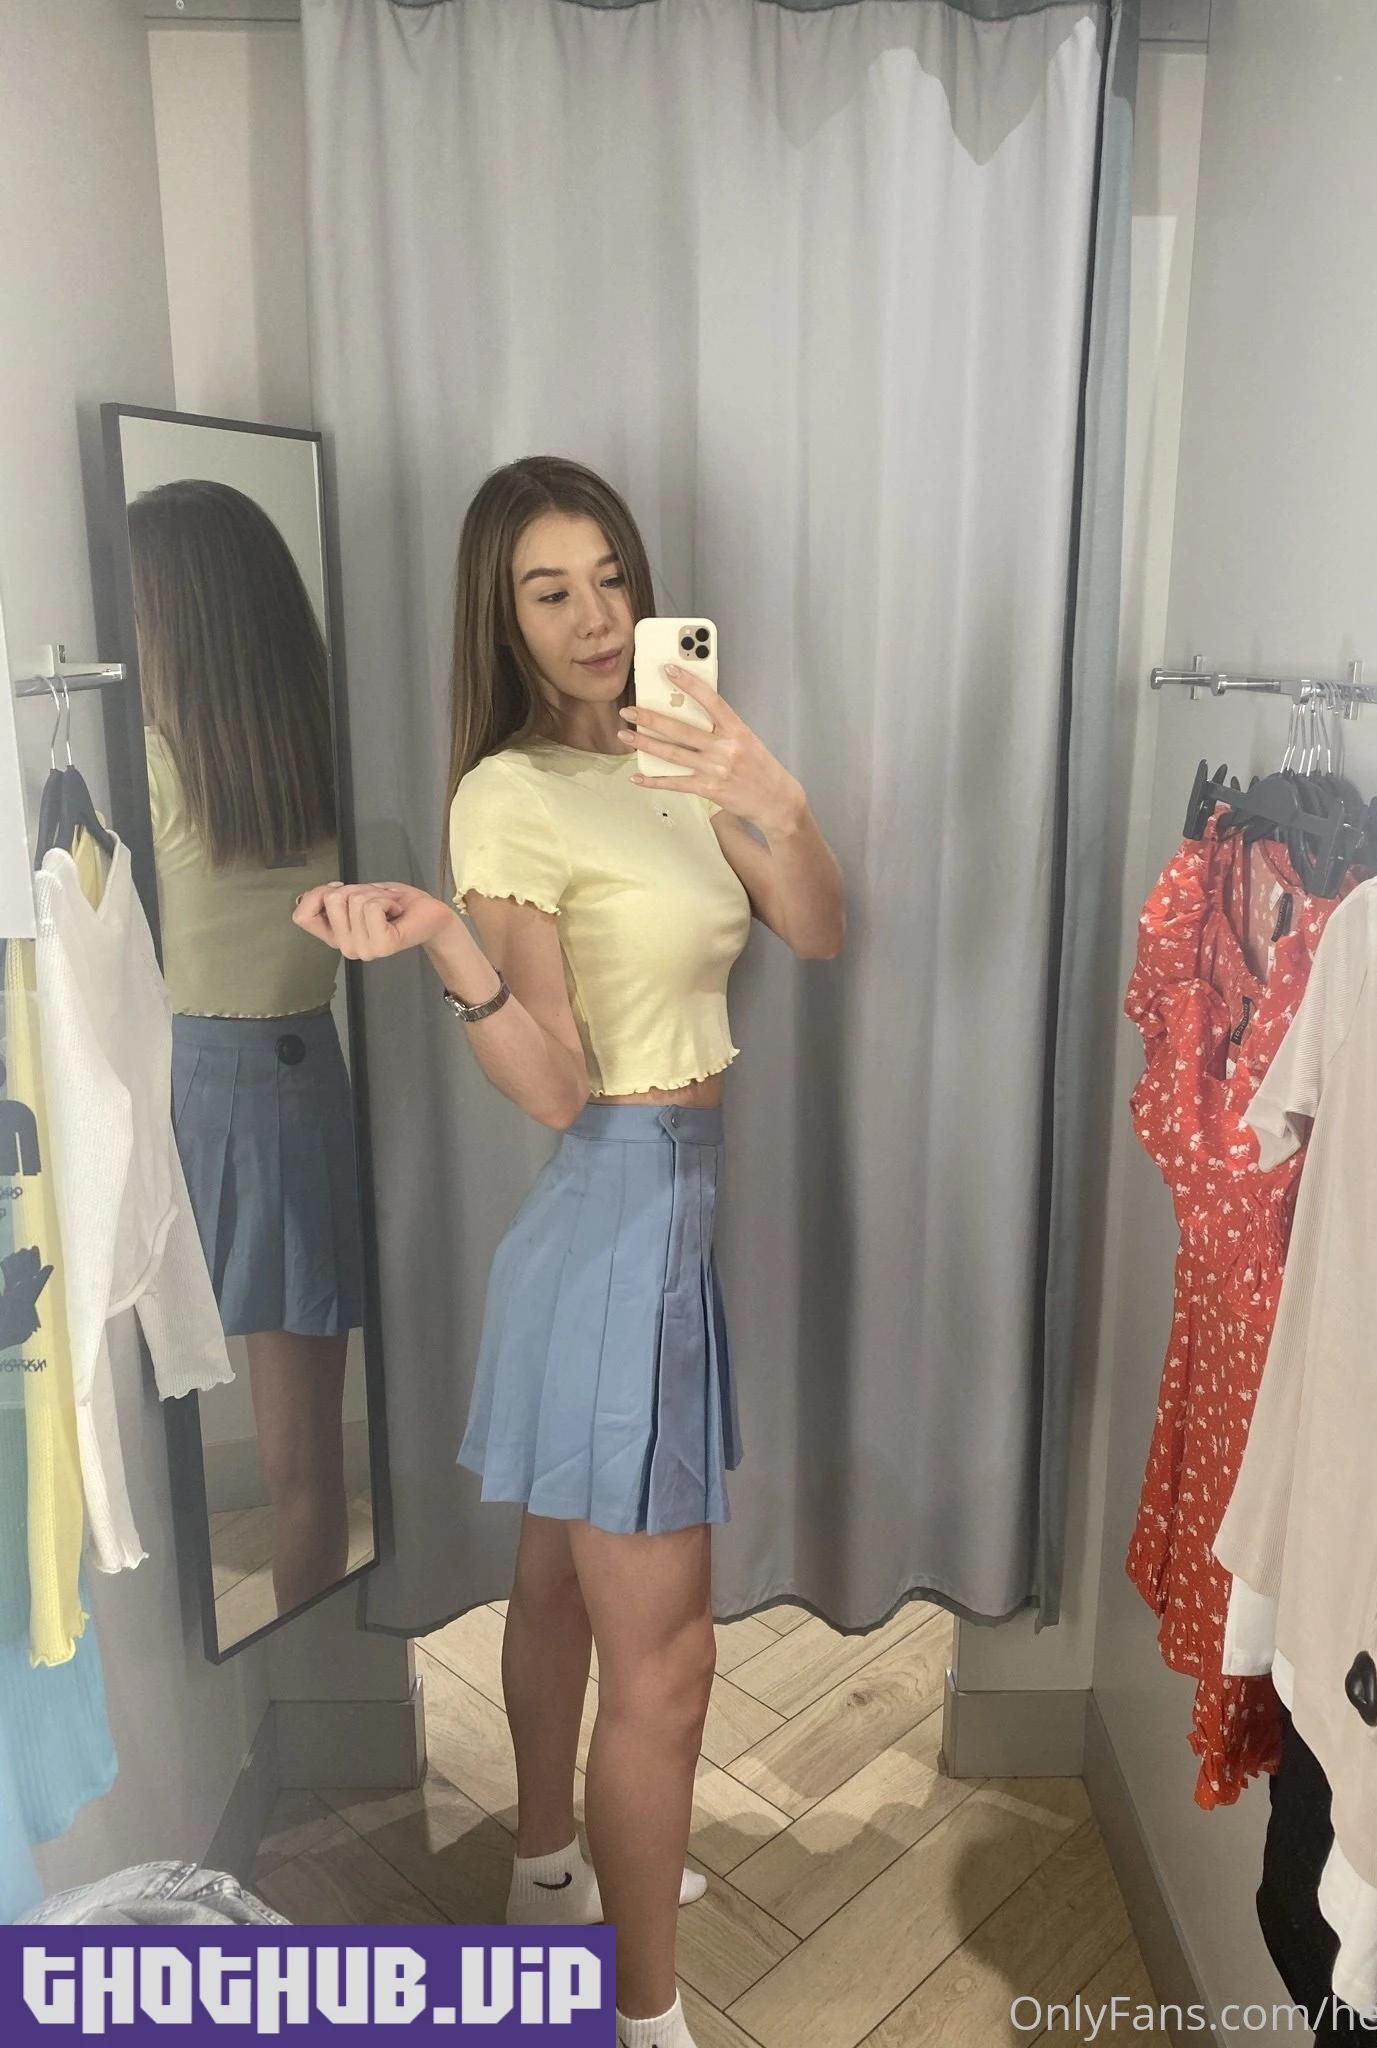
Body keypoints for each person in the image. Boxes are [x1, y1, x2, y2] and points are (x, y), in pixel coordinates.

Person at [295, 456, 843, 2048]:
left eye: (612, 578)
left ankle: (549, 1872)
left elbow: (818, 925)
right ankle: (642, 2017)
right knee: (668, 1667)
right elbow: (553, 1084)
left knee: (555, 1580)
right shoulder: (508, 792)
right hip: (617, 1222)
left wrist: (762, 783)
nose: (597, 617)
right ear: (505, 616)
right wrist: (452, 950)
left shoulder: (678, 753)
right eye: (552, 591)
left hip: (644, 1225)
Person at [129, 479, 364, 1618]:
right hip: (301, 1082)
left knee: (141, 1403)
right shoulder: (332, 752)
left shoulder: (148, 769)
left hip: (181, 1083)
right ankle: (309, 1652)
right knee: (305, 1459)